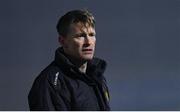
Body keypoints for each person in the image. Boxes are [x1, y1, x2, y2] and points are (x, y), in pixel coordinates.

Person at [28, 9, 110, 111]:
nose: (88, 42)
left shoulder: (98, 78)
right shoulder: (50, 83)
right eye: (80, 36)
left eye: (92, 35)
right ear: (63, 41)